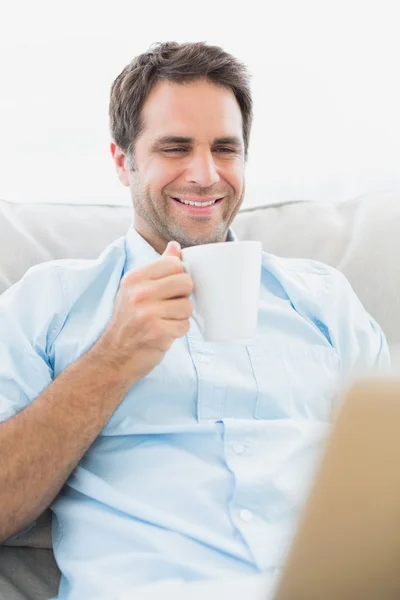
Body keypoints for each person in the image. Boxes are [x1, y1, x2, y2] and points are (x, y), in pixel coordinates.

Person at [0, 41, 390, 600]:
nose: (206, 175)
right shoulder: (49, 302)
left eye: (225, 149)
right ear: (122, 161)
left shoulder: (322, 300)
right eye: (175, 148)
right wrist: (112, 360)